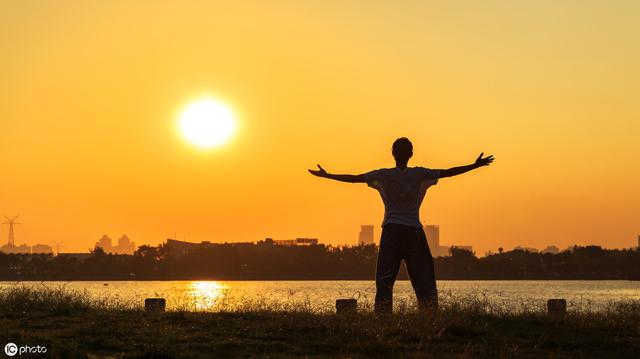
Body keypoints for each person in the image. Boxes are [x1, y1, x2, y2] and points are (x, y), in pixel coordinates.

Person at [308, 137, 494, 314]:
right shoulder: (419, 174)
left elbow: (355, 178)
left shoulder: (383, 175)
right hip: (414, 231)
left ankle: (383, 316)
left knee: (385, 279)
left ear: (392, 153)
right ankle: (429, 314)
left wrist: (328, 176)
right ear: (411, 154)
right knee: (424, 278)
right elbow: (448, 172)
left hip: (392, 231)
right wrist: (474, 165)